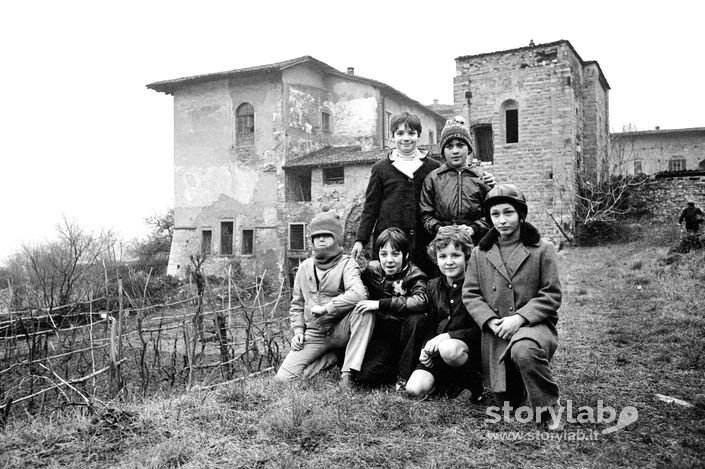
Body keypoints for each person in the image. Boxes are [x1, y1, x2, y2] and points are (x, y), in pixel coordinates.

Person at [462, 184, 564, 430]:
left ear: (521, 214)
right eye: (495, 215)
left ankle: (550, 408)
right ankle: (518, 390)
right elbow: (471, 294)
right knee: (506, 404)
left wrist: (519, 318)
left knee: (523, 350)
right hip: (497, 331)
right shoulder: (480, 253)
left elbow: (551, 294)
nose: (502, 220)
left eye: (508, 213)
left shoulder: (542, 249)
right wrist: (489, 321)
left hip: (534, 325)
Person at [275, 208, 373, 387]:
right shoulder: (304, 267)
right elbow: (297, 304)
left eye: (326, 235)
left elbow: (359, 293)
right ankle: (331, 359)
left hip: (341, 328)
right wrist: (298, 331)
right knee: (283, 380)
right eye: (316, 236)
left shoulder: (347, 263)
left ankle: (347, 373)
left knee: (364, 310)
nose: (320, 239)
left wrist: (328, 308)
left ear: (336, 238)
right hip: (314, 333)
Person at [350, 112, 441, 275]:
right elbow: (370, 207)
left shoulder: (432, 167)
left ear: (418, 136)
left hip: (422, 241)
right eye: (400, 133)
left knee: (422, 285)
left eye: (411, 133)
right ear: (392, 136)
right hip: (389, 243)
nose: (406, 138)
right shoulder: (381, 168)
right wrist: (360, 240)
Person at [405, 226, 483, 402]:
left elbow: (480, 329)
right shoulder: (432, 286)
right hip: (438, 354)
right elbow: (430, 324)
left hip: (464, 352)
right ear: (436, 259)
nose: (449, 262)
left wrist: (448, 336)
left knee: (449, 349)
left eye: (455, 255)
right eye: (443, 256)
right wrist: (426, 348)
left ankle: (473, 384)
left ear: (467, 256)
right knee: (414, 390)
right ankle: (445, 383)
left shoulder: (476, 286)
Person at [353, 227, 429, 390]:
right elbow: (353, 285)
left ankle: (404, 376)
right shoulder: (372, 270)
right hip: (383, 335)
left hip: (406, 334)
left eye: (395, 254)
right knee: (364, 379)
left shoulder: (415, 275)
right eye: (383, 254)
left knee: (418, 319)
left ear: (406, 255)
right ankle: (390, 366)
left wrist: (380, 303)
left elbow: (421, 300)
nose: (389, 260)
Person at [420, 116, 493, 246]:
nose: (455, 151)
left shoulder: (481, 178)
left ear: (469, 149)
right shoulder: (433, 178)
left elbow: (491, 213)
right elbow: (425, 214)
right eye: (449, 146)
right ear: (443, 151)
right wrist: (439, 228)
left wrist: (473, 228)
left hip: (476, 244)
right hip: (443, 244)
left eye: (460, 145)